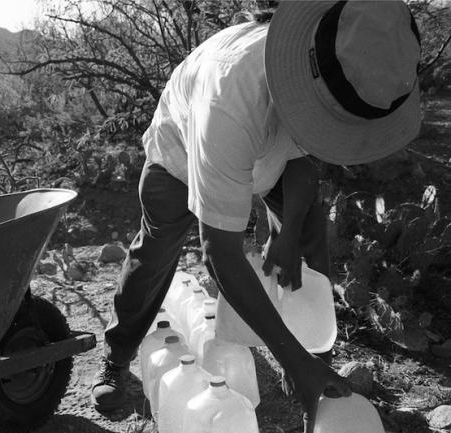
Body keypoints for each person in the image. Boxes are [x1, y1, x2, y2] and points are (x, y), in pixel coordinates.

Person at [90, 1, 422, 431]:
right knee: (155, 252)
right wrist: (291, 358)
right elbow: (220, 252)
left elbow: (302, 165)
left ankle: (317, 365)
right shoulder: (229, 98)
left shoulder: (345, 67)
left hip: (263, 147)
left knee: (308, 227)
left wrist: (285, 234)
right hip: (182, 153)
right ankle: (115, 357)